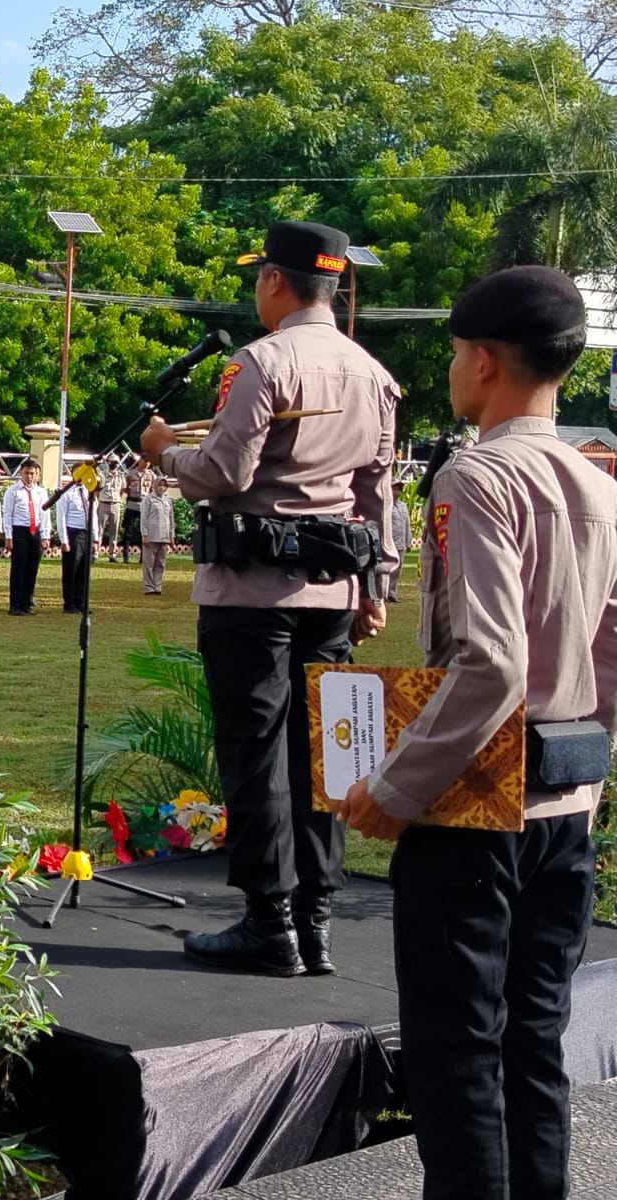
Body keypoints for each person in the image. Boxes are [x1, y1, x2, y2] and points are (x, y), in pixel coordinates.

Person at [335, 266, 617, 1200]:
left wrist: (394, 786)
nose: (454, 369)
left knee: (458, 1060)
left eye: (457, 354)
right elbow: (611, 653)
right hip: (565, 804)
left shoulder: (478, 475)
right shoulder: (596, 480)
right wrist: (583, 767)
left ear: (485, 362)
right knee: (534, 1042)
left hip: (472, 811)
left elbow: (488, 663)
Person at [141, 219, 399, 977]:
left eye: (260, 276)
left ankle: (268, 922)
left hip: (250, 592)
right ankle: (315, 924)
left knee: (255, 757)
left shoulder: (262, 361)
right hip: (330, 592)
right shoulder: (372, 374)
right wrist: (375, 586)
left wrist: (164, 453)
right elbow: (377, 497)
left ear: (277, 282)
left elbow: (224, 471)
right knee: (325, 759)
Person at [2, 460, 50, 615]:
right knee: (19, 568)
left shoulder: (41, 492)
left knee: (32, 568)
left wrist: (45, 536)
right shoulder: (13, 491)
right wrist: (8, 536)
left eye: (32, 474)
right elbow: (8, 514)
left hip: (35, 531)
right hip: (19, 531)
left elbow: (44, 515)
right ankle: (15, 604)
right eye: (26, 473)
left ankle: (26, 602)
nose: (29, 477)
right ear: (21, 473)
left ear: (37, 475)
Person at [55, 470, 96, 614]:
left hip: (86, 532)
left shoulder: (88, 492)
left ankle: (81, 602)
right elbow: (61, 518)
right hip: (73, 533)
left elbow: (93, 514)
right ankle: (69, 603)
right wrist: (64, 540)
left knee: (83, 571)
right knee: (71, 570)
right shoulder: (66, 493)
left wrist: (95, 537)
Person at [139, 475, 175, 595]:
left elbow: (171, 519)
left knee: (160, 563)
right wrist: (144, 534)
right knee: (149, 564)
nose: (161, 487)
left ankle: (157, 587)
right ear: (154, 485)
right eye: (159, 484)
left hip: (163, 536)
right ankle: (149, 587)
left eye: (164, 485)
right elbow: (143, 518)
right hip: (151, 535)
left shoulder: (167, 501)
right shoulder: (148, 499)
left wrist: (171, 536)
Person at [96, 456, 124, 562]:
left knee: (114, 531)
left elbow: (122, 489)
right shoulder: (102, 475)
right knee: (99, 530)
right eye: (112, 462)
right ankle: (95, 553)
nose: (114, 465)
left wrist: (117, 500)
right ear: (107, 462)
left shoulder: (120, 476)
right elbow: (97, 489)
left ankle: (112, 554)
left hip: (115, 504)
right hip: (103, 503)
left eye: (116, 462)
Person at [387, 495, 412, 601]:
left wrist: (408, 541)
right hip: (390, 543)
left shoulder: (403, 506)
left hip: (401, 543)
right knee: (388, 569)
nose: (397, 491)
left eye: (399, 488)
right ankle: (384, 592)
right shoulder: (387, 505)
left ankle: (392, 593)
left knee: (397, 570)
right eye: (395, 488)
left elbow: (407, 524)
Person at [120, 455, 145, 563]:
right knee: (128, 531)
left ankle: (143, 557)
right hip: (131, 504)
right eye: (145, 461)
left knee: (142, 532)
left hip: (143, 505)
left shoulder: (151, 475)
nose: (147, 463)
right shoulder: (130, 474)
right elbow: (125, 488)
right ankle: (125, 556)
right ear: (140, 461)